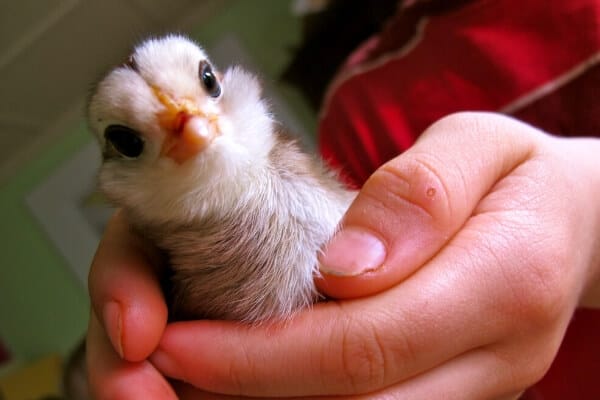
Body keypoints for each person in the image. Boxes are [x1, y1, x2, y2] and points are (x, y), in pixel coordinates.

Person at [86, 0, 600, 398]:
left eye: (202, 83)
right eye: (132, 142)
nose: (192, 124)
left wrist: (585, 211)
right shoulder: (356, 104)